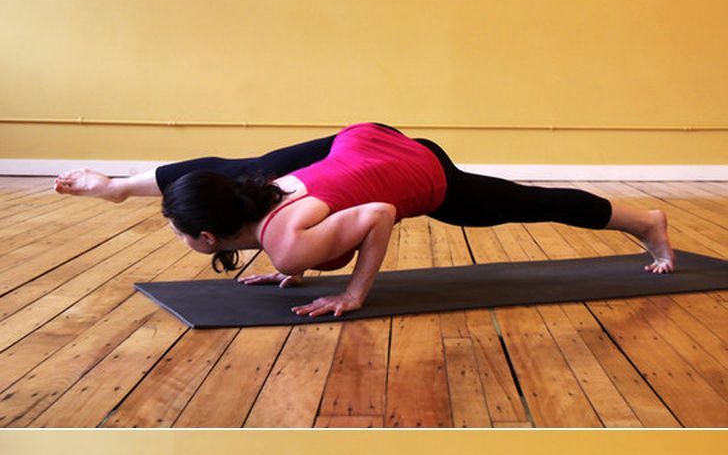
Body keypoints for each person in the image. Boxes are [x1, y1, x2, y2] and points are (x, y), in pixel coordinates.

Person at [55, 130, 675, 315]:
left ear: (211, 237)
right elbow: (313, 219)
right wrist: (296, 268)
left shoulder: (286, 244)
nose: (178, 235)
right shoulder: (260, 197)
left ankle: (645, 220)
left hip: (415, 169)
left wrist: (353, 292)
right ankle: (116, 188)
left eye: (180, 230)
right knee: (242, 164)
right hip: (361, 142)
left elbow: (378, 213)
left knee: (527, 203)